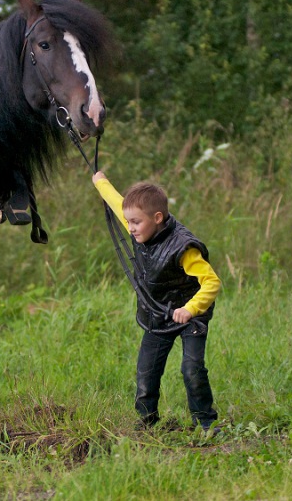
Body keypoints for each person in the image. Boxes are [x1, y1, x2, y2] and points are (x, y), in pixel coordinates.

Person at [92, 171, 221, 433]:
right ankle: (147, 423)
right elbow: (119, 204)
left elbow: (212, 282)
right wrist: (100, 182)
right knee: (146, 374)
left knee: (192, 370)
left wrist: (190, 309)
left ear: (157, 218)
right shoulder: (140, 227)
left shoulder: (184, 247)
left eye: (135, 223)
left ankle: (205, 424)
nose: (130, 228)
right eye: (128, 222)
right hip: (157, 314)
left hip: (190, 315)